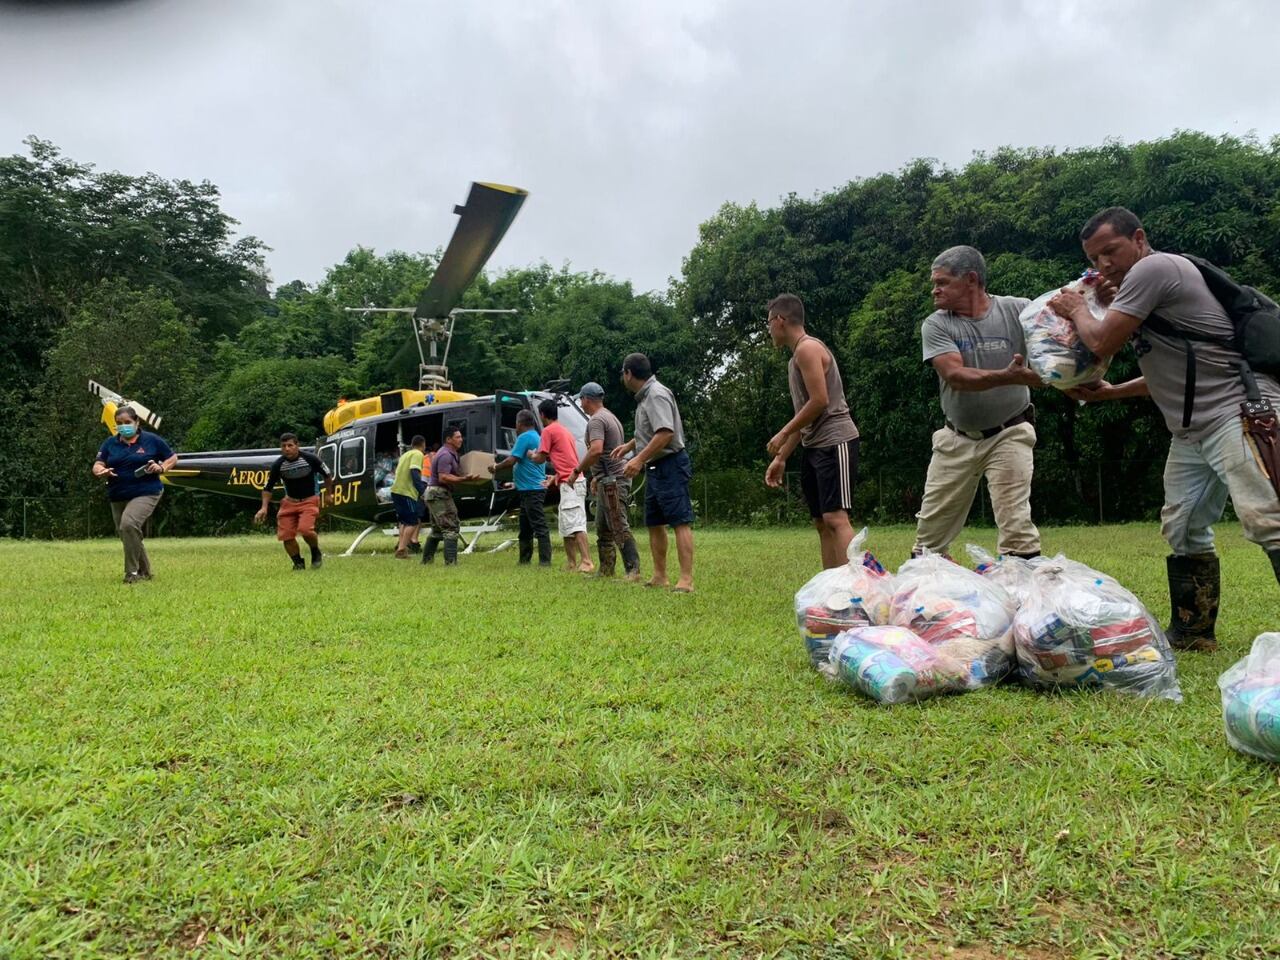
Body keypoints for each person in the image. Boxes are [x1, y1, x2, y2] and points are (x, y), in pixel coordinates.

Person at [1050, 206, 1280, 650]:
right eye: (1094, 258)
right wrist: (1112, 393)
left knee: (1269, 519)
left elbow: (1099, 340)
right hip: (1192, 431)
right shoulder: (1140, 289)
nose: (1103, 265)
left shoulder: (1155, 267)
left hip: (1240, 411)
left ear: (1138, 238)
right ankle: (1193, 631)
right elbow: (1167, 373)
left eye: (1110, 251)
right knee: (1183, 526)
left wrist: (1078, 308)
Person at [914, 245, 1044, 560]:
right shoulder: (937, 324)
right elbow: (955, 375)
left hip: (1009, 432)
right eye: (935, 283)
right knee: (929, 540)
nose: (935, 290)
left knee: (1016, 525)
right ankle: (932, 597)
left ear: (971, 280)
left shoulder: (1019, 310)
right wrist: (1009, 376)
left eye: (943, 282)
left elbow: (1056, 348)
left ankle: (1023, 596)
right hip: (956, 438)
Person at [763, 293, 863, 569]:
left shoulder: (808, 349)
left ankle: (855, 589)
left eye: (769, 322)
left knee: (835, 518)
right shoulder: (794, 359)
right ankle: (831, 588)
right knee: (821, 521)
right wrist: (782, 457)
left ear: (780, 320)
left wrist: (783, 433)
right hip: (814, 445)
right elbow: (804, 415)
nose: (769, 329)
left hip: (836, 440)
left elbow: (820, 401)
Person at [613, 353, 695, 592]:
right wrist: (630, 446)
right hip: (656, 466)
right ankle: (660, 575)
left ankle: (686, 580)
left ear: (629, 373)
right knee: (655, 522)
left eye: (623, 373)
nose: (623, 378)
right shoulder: (644, 397)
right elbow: (651, 431)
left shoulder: (656, 394)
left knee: (680, 521)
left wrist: (638, 459)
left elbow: (665, 433)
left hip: (670, 463)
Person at [92, 405, 178, 584]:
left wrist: (161, 467)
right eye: (119, 423)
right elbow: (98, 463)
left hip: (147, 491)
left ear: (137, 422)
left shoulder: (151, 440)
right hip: (117, 494)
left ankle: (131, 573)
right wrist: (101, 470)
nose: (123, 426)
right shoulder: (110, 443)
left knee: (129, 524)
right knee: (127, 533)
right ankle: (145, 572)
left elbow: (172, 457)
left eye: (127, 422)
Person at [570, 381, 642, 580]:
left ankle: (633, 571)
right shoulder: (609, 416)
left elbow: (596, 450)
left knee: (618, 525)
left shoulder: (596, 421)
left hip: (613, 481)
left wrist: (577, 471)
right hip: (607, 479)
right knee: (603, 527)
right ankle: (606, 570)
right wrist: (596, 477)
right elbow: (608, 453)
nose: (581, 404)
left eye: (581, 400)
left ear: (586, 399)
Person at [255, 433, 336, 571]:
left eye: (290, 445)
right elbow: (267, 487)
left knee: (305, 530)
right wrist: (264, 508)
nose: (287, 449)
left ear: (297, 445)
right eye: (283, 446)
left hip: (309, 500)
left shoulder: (311, 459)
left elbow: (327, 475)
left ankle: (315, 552)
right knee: (286, 535)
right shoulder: (278, 465)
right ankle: (298, 563)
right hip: (289, 502)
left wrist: (328, 494)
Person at [537, 398, 594, 573]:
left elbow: (540, 457)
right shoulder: (564, 430)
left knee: (575, 523)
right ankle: (571, 563)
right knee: (566, 525)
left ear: (542, 415)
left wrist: (530, 455)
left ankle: (587, 561)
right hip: (569, 481)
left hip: (572, 483)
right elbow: (568, 460)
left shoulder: (548, 431)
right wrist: (555, 477)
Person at [489, 409, 552, 565]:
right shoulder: (536, 436)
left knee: (538, 526)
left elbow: (512, 460)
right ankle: (524, 560)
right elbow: (526, 464)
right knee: (525, 527)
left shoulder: (524, 437)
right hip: (528, 489)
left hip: (532, 490)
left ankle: (545, 561)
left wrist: (496, 467)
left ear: (519, 423)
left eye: (516, 424)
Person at [422, 426, 482, 565]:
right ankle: (451, 563)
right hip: (439, 493)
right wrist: (465, 479)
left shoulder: (451, 453)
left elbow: (458, 472)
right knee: (451, 527)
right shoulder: (445, 455)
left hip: (434, 493)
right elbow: (443, 477)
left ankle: (426, 561)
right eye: (458, 437)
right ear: (448, 439)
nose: (461, 439)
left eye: (461, 436)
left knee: (437, 530)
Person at [390, 435, 428, 559]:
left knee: (403, 521)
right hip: (406, 492)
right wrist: (422, 491)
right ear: (423, 444)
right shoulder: (418, 454)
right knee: (413, 521)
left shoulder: (405, 455)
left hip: (396, 491)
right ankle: (401, 550)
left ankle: (401, 548)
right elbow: (414, 473)